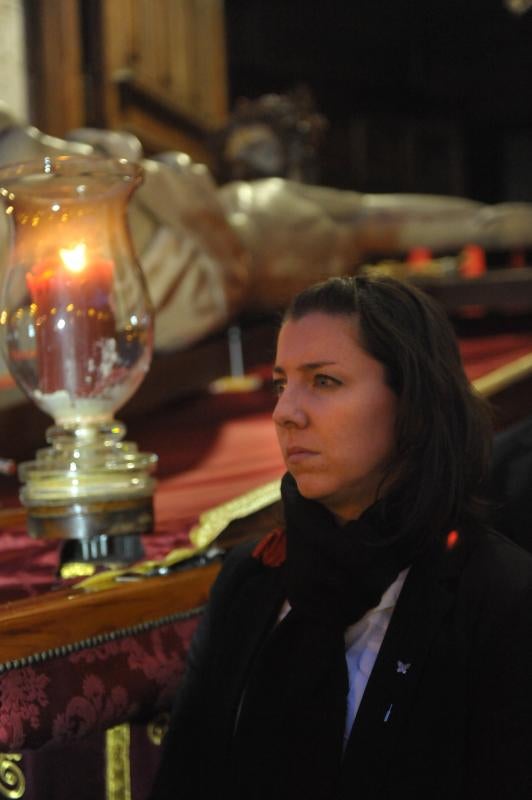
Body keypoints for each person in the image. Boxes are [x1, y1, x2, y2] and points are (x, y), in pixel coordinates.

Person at [150, 276, 532, 800]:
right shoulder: (252, 579)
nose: (285, 412)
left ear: (413, 402)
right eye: (281, 382)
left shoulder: (500, 597)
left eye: (324, 381)